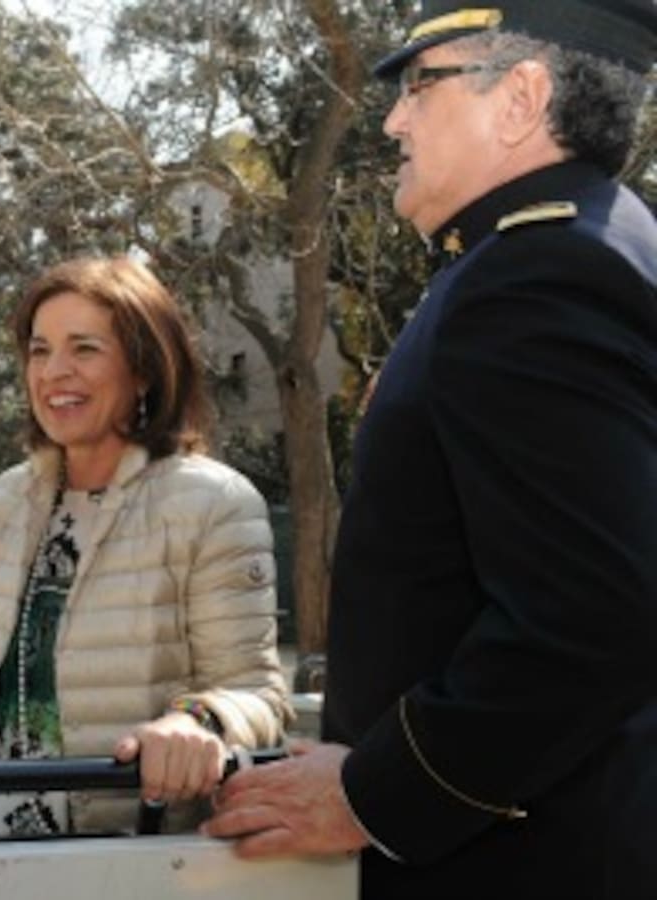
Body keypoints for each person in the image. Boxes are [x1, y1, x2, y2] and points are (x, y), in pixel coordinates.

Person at [203, 3, 657, 898]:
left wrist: (376, 794)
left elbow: (598, 612)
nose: (393, 119)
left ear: (521, 97)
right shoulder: (589, 245)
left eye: (420, 83)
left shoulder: (533, 280)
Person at [0, 255, 290, 843]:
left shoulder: (210, 502)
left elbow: (258, 694)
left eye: (84, 349)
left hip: (128, 853)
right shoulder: (8, 501)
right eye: (39, 350)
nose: (54, 372)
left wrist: (195, 721)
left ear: (143, 372)